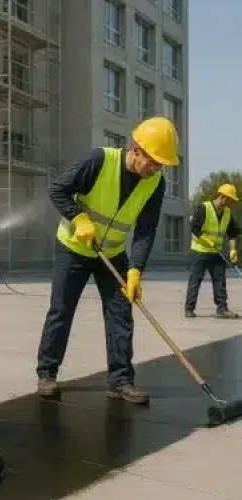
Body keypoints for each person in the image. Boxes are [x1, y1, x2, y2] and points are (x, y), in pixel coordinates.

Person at [35, 116, 179, 405]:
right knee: (61, 310)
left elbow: (146, 229)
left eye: (161, 163)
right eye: (153, 160)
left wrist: (136, 269)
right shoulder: (99, 160)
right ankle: (47, 373)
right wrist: (78, 217)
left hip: (111, 253)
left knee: (121, 313)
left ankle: (120, 380)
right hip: (75, 246)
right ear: (136, 149)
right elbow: (58, 189)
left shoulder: (155, 184)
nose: (156, 168)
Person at [184, 183, 240, 318]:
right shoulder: (204, 208)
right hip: (200, 251)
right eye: (230, 200)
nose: (231, 203)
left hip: (216, 252)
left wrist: (233, 250)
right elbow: (194, 227)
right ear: (222, 196)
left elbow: (232, 233)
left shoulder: (227, 213)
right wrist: (206, 240)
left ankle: (222, 308)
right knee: (195, 279)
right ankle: (189, 308)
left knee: (220, 280)